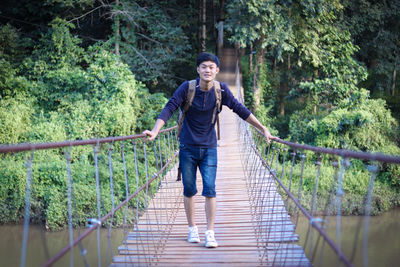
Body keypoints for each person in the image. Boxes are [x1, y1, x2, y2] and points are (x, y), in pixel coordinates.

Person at [143, 52, 275, 248]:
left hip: (209, 148)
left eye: (211, 67)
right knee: (189, 190)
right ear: (198, 70)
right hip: (187, 146)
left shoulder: (220, 90)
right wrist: (155, 131)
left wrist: (262, 128)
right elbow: (169, 108)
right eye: (204, 67)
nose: (207, 70)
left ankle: (210, 233)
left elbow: (240, 109)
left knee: (210, 190)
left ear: (217, 71)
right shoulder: (186, 88)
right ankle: (192, 229)